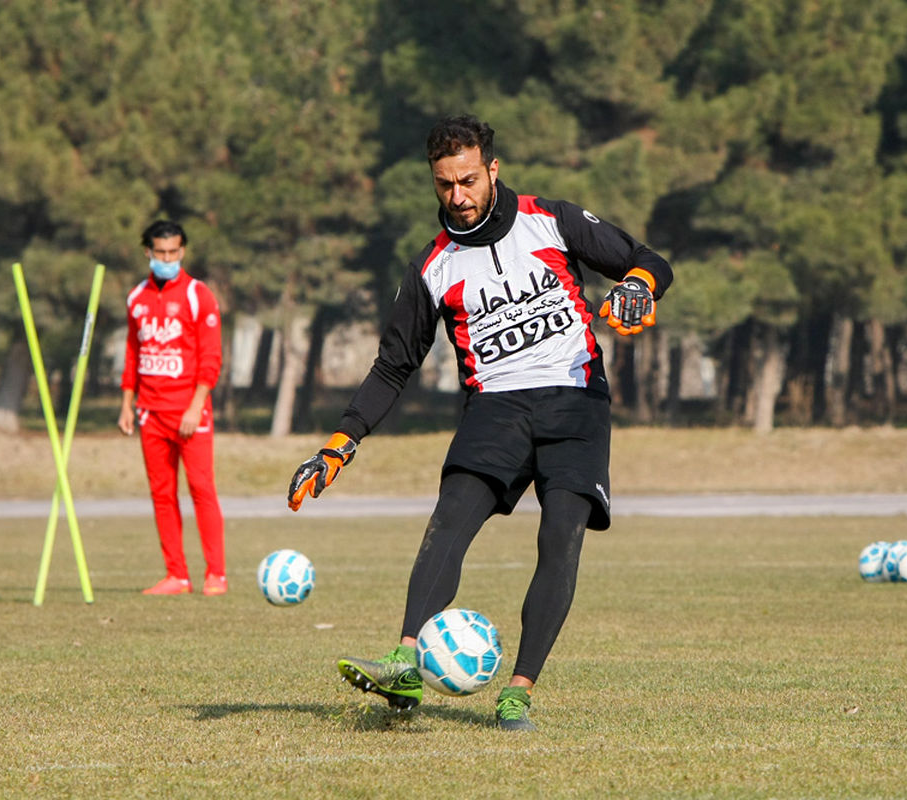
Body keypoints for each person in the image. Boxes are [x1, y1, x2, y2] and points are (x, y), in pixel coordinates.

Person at [287, 115, 672, 730]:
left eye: (468, 180)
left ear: (492, 169)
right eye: (444, 185)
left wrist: (638, 287)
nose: (457, 197)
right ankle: (405, 662)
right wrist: (340, 443)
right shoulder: (431, 265)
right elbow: (393, 367)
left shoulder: (553, 219)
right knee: (450, 520)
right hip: (494, 407)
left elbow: (647, 260)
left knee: (561, 534)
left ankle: (518, 689)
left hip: (575, 397)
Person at [118, 220, 227, 596]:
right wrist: (126, 404)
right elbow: (133, 353)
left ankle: (216, 574)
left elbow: (211, 356)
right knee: (161, 493)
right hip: (150, 411)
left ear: (182, 252)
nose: (167, 259)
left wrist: (196, 405)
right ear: (148, 252)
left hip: (189, 410)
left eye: (173, 252)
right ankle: (177, 575)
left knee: (201, 489)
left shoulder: (199, 295)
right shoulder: (136, 298)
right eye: (160, 253)